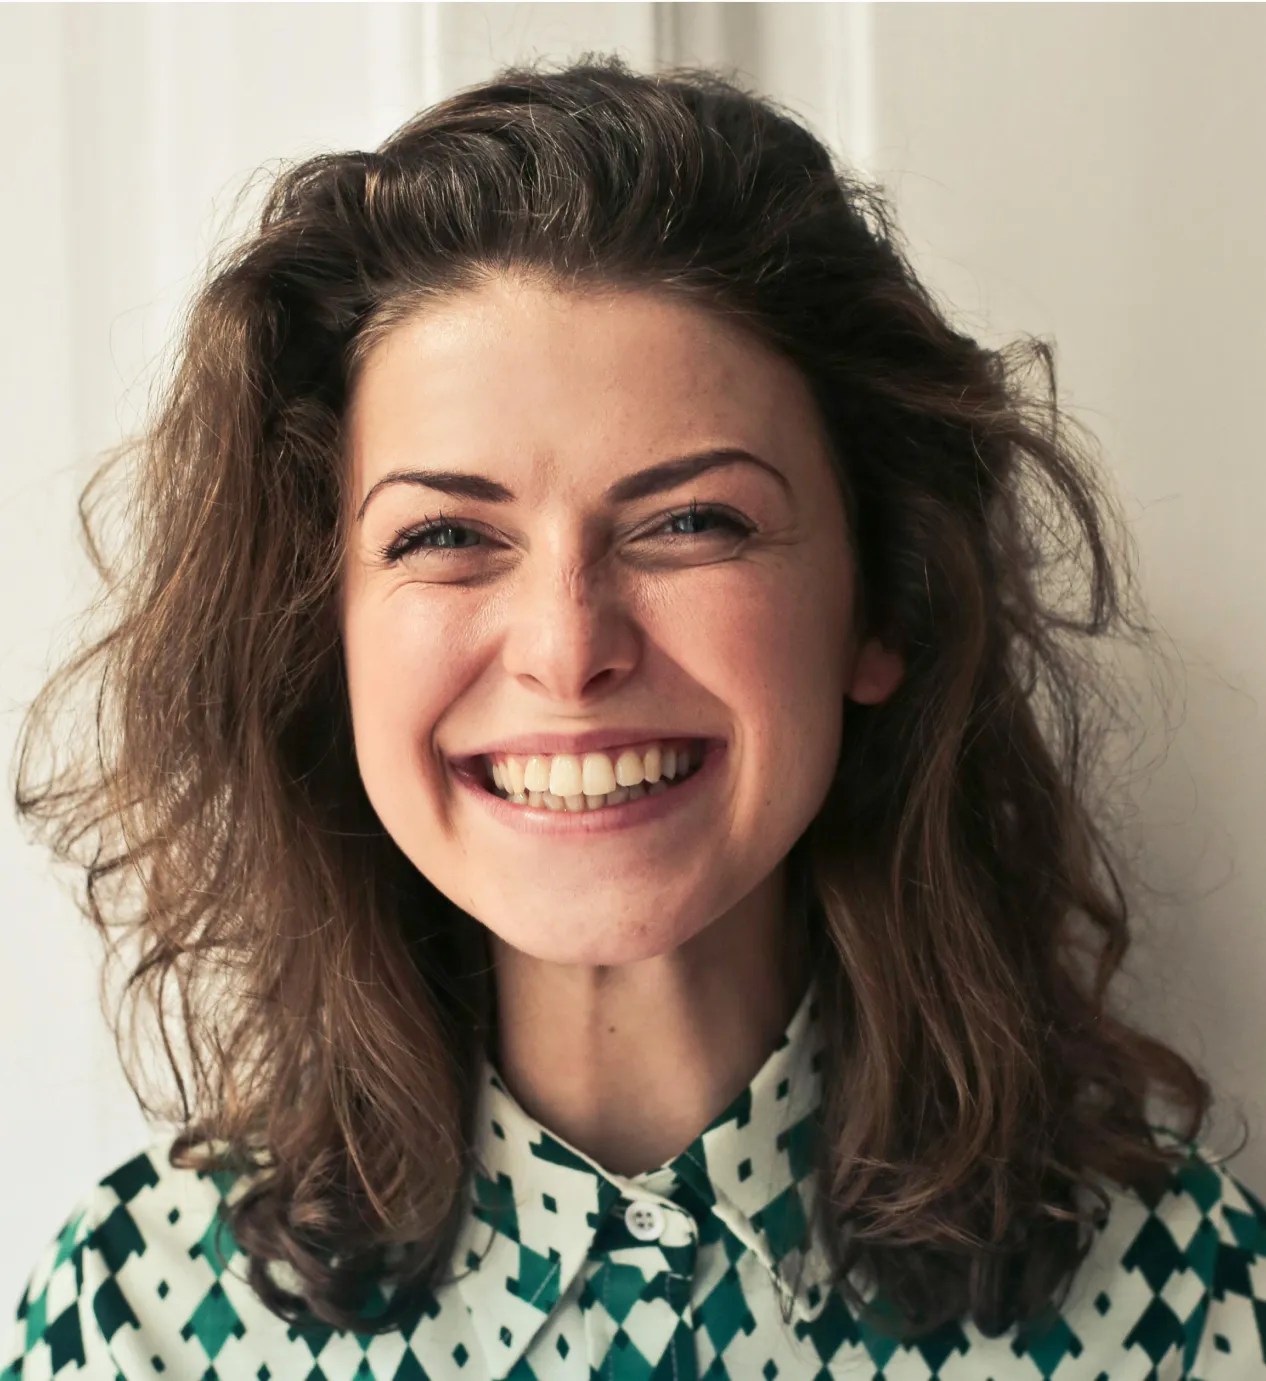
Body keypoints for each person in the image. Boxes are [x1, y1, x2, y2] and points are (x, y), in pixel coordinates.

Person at [4, 54, 1264, 1381]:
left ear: (879, 604)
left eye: (691, 522)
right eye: (443, 533)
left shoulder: (1176, 1300)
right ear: (324, 635)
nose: (567, 647)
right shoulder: (137, 1315)